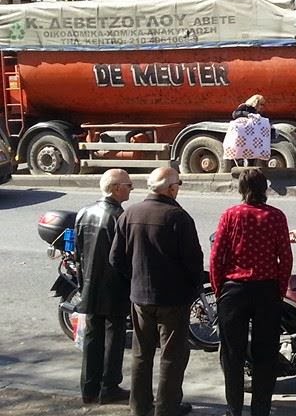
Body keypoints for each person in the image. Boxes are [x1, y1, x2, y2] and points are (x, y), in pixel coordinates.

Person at [109, 166, 204, 416]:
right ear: (171, 188)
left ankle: (139, 408)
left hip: (141, 296)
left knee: (141, 355)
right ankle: (166, 408)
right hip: (173, 299)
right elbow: (193, 261)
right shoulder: (178, 217)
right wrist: (193, 286)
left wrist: (136, 279)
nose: (178, 189)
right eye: (178, 184)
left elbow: (116, 258)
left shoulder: (130, 214)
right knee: (172, 357)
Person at [210, 168, 293, 416]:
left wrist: (218, 288)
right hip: (267, 289)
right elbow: (285, 257)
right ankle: (261, 410)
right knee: (265, 353)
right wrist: (279, 289)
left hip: (233, 291)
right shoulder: (276, 217)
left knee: (232, 353)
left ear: (241, 189)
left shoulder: (231, 215)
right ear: (264, 189)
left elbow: (217, 256)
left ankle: (234, 408)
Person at [75, 169, 133, 405]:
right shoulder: (118, 216)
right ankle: (109, 386)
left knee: (93, 336)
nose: (131, 188)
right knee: (113, 337)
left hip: (89, 282)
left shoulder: (84, 212)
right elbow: (123, 256)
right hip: (113, 286)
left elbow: (78, 251)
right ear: (116, 188)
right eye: (128, 184)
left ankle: (89, 388)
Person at [224, 94, 271, 168]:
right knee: (240, 149)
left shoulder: (258, 112)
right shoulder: (245, 106)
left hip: (252, 135)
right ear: (255, 102)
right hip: (242, 134)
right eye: (261, 104)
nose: (262, 107)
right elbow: (234, 114)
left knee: (252, 150)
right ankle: (240, 165)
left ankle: (250, 165)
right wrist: (248, 115)